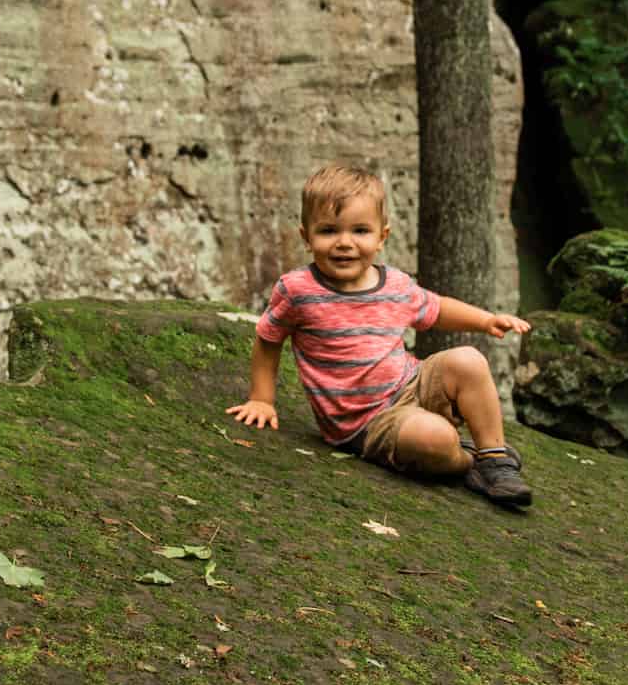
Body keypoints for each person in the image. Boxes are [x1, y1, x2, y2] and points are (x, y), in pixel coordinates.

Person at [227, 163, 534, 508]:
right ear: (306, 236)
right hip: (366, 421)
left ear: (381, 237)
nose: (345, 243)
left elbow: (435, 308)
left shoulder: (395, 284)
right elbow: (268, 338)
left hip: (412, 383)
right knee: (434, 439)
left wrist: (486, 321)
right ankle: (469, 462)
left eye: (360, 230)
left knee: (469, 360)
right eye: (329, 231)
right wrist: (262, 399)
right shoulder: (298, 290)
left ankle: (495, 458)